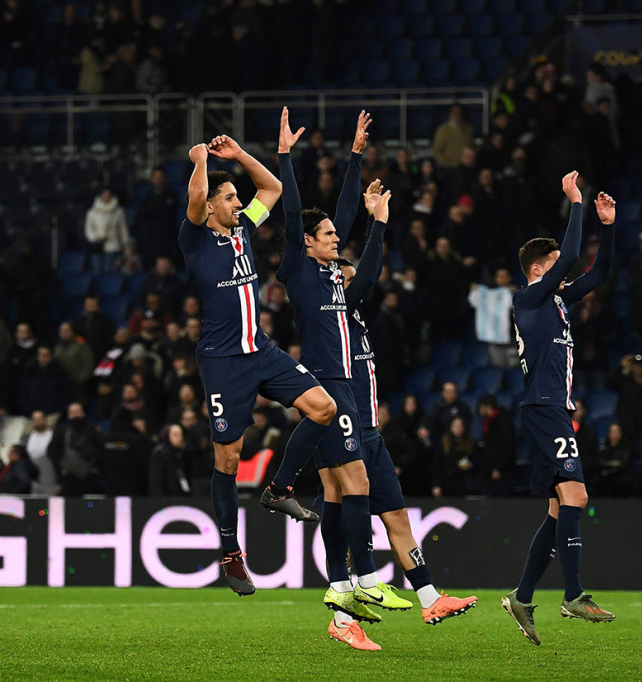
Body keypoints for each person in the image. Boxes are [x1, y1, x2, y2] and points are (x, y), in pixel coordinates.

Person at [320, 184, 477, 651]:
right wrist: (378, 223)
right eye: (347, 275)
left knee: (397, 516)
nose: (355, 280)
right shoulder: (334, 310)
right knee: (341, 504)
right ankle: (343, 612)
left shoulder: (358, 318)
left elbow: (366, 277)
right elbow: (367, 272)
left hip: (371, 431)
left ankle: (430, 596)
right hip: (342, 427)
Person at [179, 114, 329, 597]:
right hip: (222, 361)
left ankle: (279, 489)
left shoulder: (243, 228)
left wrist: (239, 155)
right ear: (214, 206)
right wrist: (202, 162)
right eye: (230, 198)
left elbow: (272, 191)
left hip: (261, 351)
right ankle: (230, 552)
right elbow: (197, 199)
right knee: (228, 461)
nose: (238, 202)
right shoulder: (197, 240)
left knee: (323, 408)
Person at [276, 109, 410, 624]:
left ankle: (339, 590)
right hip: (326, 385)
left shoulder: (336, 280)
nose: (336, 237)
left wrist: (356, 155)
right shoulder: (298, 269)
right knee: (352, 481)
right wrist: (285, 158)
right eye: (327, 234)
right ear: (307, 242)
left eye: (336, 234)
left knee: (336, 489)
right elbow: (293, 213)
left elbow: (350, 215)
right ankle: (368, 580)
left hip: (346, 391)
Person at [502, 173, 617, 646]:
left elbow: (600, 273)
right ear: (538, 270)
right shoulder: (529, 299)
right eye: (553, 267)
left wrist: (607, 226)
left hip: (552, 409)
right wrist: (576, 204)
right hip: (544, 408)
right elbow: (571, 257)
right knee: (577, 498)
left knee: (557, 510)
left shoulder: (557, 301)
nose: (562, 274)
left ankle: (523, 596)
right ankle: (573, 595)